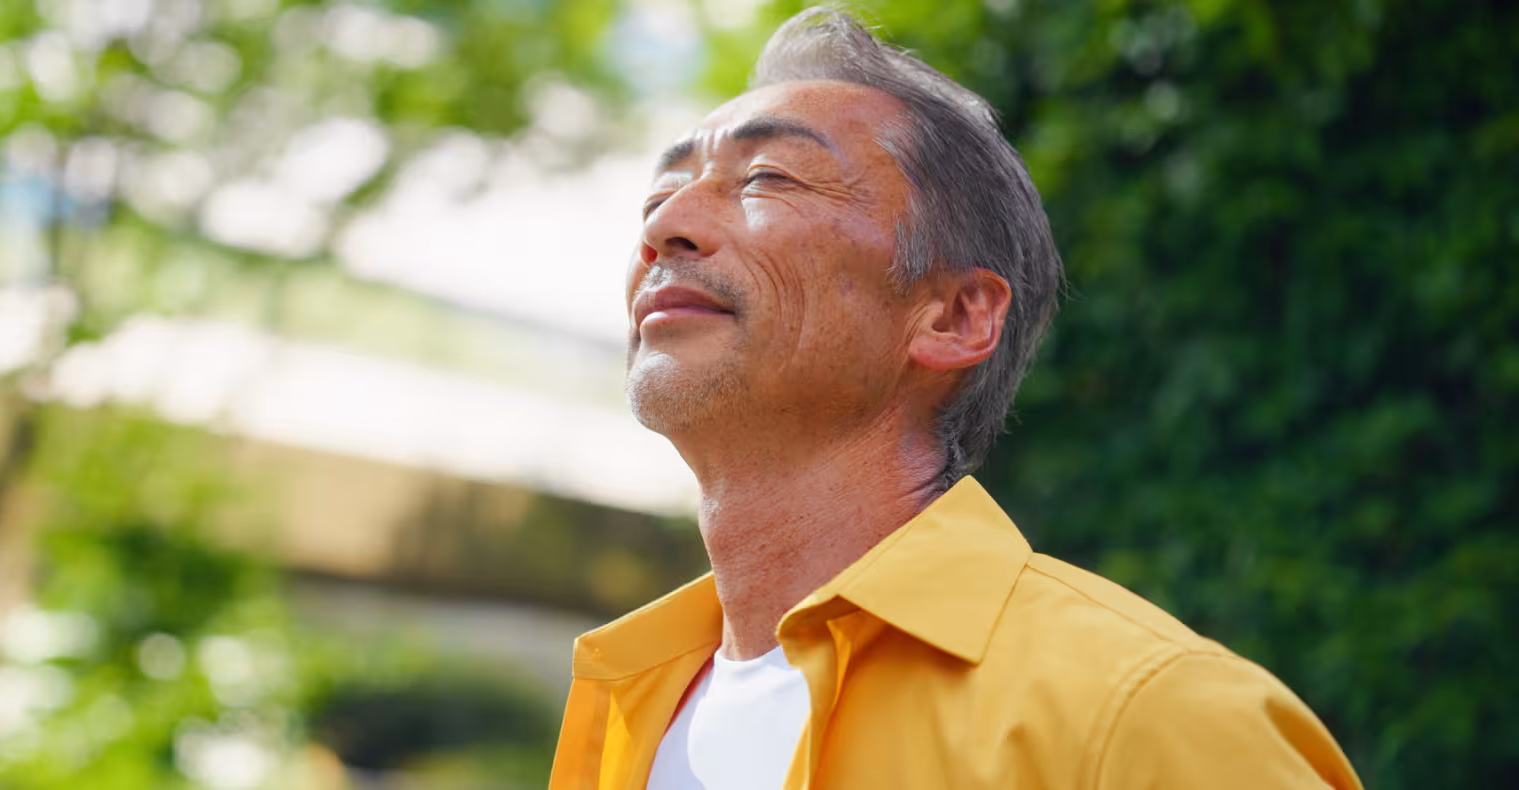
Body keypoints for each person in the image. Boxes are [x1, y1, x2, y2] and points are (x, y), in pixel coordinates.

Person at [547, 6, 1362, 789]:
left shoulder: (1150, 717)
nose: (665, 227)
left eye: (767, 177)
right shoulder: (627, 705)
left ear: (954, 317)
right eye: (657, 197)